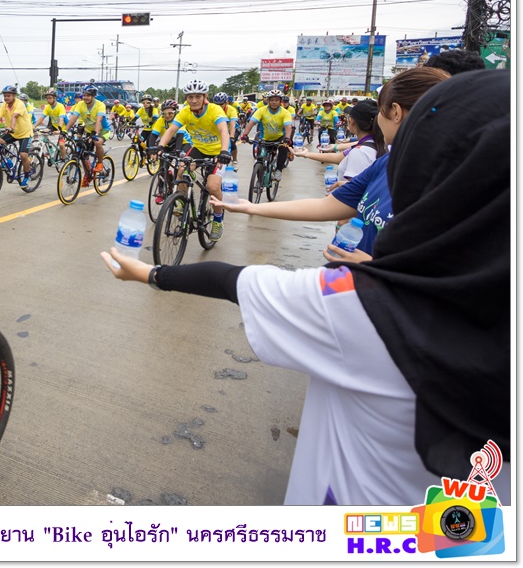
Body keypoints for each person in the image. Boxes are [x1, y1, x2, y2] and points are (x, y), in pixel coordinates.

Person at [102, 68, 510, 506]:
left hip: (354, 522)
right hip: (474, 527)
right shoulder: (392, 171)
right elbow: (331, 203)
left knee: (215, 180)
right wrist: (249, 208)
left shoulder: (356, 305)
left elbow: (231, 280)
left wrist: (148, 273)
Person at [212, 67, 450, 262]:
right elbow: (325, 206)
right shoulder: (388, 163)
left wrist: (374, 266)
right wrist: (250, 208)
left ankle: (276, 171)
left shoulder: (451, 181)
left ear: (395, 112)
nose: (376, 119)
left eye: (380, 110)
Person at [159, 79, 231, 239]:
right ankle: (182, 202)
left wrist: (224, 152)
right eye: (190, 97)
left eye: (198, 96)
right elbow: (171, 130)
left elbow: (223, 131)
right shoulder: (185, 112)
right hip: (198, 148)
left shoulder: (215, 110)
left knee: (213, 187)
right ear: (186, 98)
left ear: (205, 97)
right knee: (181, 170)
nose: (194, 100)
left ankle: (218, 220)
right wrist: (160, 147)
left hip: (218, 151)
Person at [292, 99, 382, 189]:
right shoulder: (375, 142)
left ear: (352, 121)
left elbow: (354, 191)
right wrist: (306, 154)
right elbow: (338, 157)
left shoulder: (360, 153)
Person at [239, 89, 293, 183]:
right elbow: (251, 122)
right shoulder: (261, 110)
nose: (274, 102)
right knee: (259, 159)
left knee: (284, 148)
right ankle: (259, 180)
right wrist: (245, 135)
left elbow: (288, 126)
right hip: (264, 138)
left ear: (280, 101)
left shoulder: (285, 113)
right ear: (268, 101)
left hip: (279, 138)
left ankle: (278, 170)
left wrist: (287, 138)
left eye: (276, 100)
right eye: (272, 100)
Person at [0, 85, 34, 190]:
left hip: (25, 133)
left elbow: (14, 116)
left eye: (8, 96)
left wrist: (11, 127)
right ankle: (8, 161)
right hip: (13, 132)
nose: (6, 98)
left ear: (14, 96)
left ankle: (27, 177)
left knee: (23, 155)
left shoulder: (19, 104)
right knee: (0, 142)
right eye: (5, 96)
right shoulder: (4, 105)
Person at [64, 85, 111, 183]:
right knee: (83, 154)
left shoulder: (100, 105)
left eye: (88, 95)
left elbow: (99, 120)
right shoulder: (80, 104)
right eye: (84, 95)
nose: (85, 97)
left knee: (97, 142)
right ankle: (88, 174)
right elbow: (73, 118)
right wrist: (65, 130)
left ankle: (100, 163)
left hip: (103, 130)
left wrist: (96, 134)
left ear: (93, 96)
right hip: (89, 131)